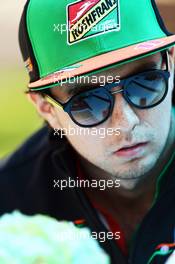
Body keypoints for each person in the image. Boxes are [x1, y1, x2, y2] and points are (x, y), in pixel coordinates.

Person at [0, 0, 175, 263]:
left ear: (171, 65)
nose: (125, 122)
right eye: (88, 103)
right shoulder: (12, 199)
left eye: (145, 84)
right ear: (46, 109)